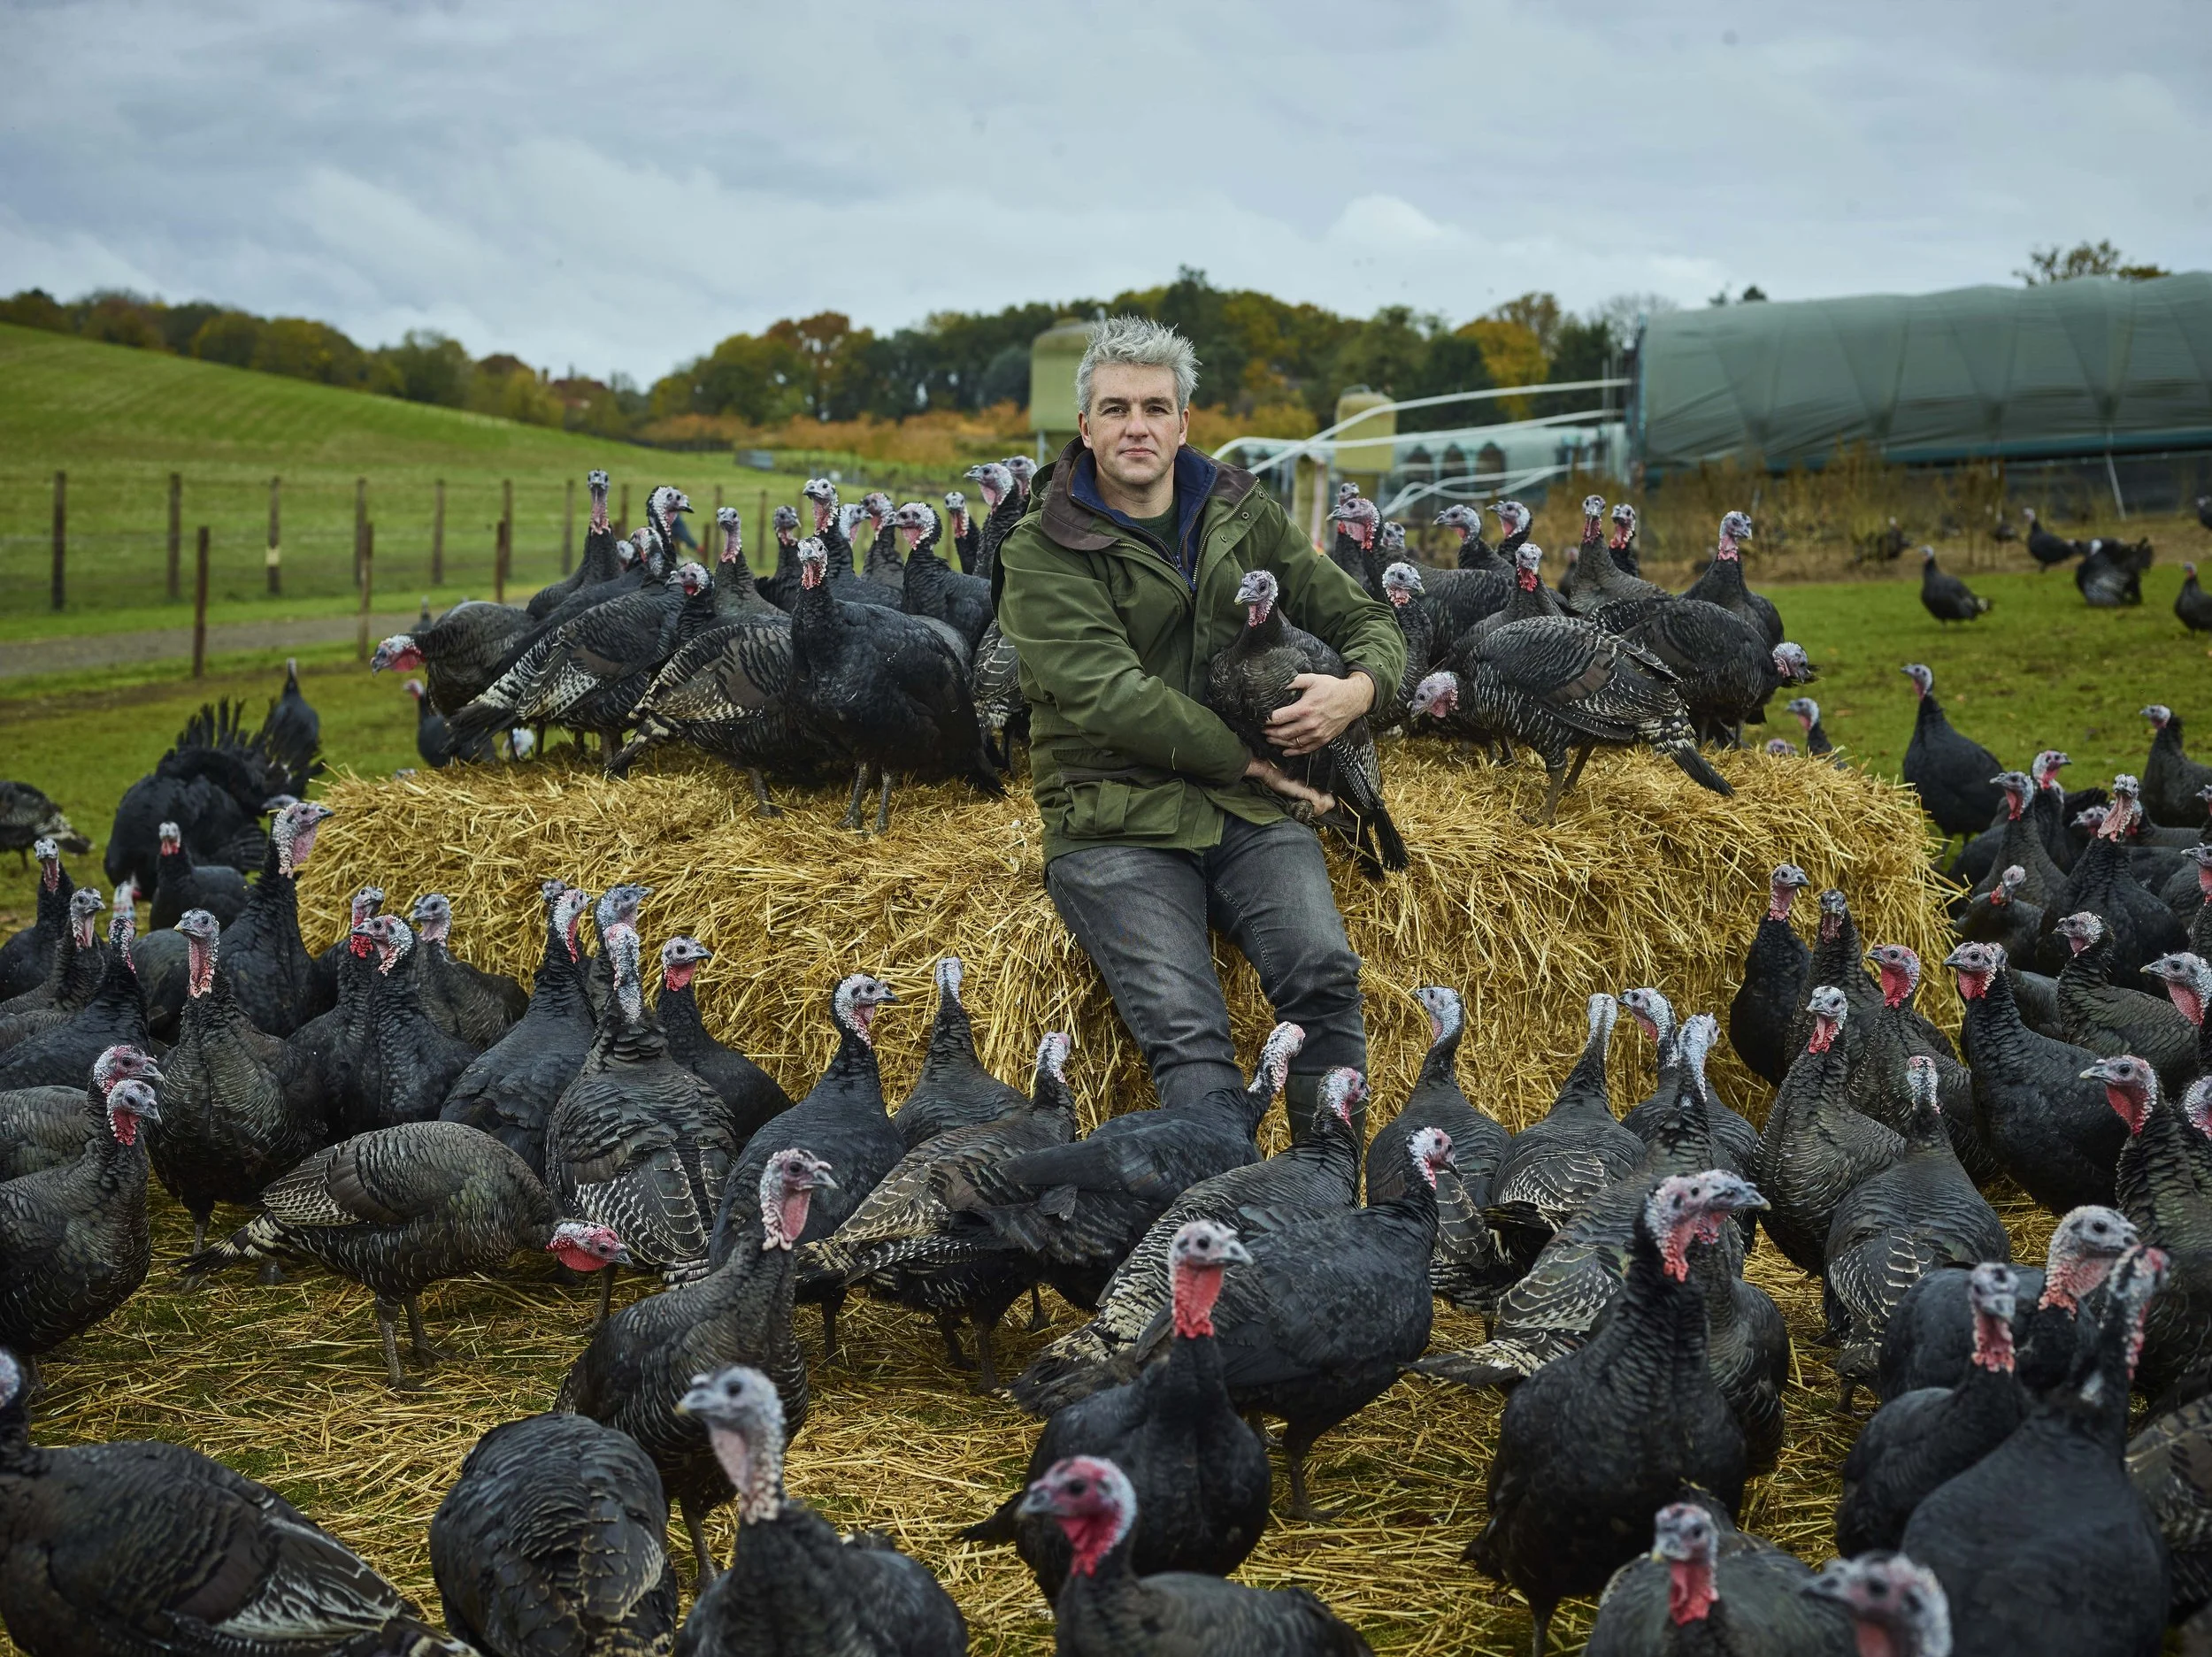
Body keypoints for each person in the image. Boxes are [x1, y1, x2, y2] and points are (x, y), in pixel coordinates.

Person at [995, 316, 1406, 1139]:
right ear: (1085, 426)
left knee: (1324, 976)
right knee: (1190, 1035)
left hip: (1244, 814)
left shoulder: (1240, 513)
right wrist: (1252, 763)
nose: (1136, 426)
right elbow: (1112, 695)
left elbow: (1362, 615)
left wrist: (1356, 691)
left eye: (1155, 407)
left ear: (1184, 423)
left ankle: (1325, 1180)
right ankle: (1221, 1203)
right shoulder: (1042, 548)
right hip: (1113, 816)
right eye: (1115, 409)